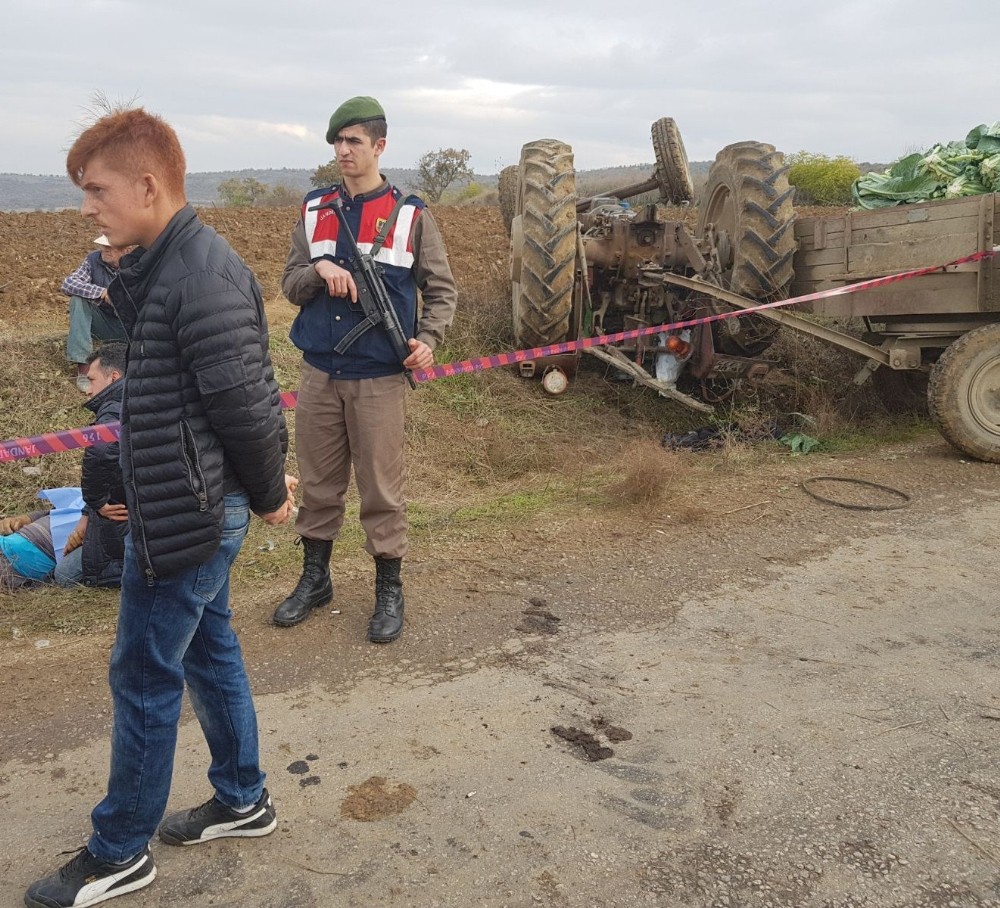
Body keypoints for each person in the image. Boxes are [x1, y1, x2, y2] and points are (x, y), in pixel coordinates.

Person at [25, 107, 294, 908]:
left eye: (97, 190)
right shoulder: (160, 265)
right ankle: (243, 797)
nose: (86, 208)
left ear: (148, 184)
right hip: (183, 498)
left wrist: (274, 494)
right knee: (208, 650)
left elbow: (247, 406)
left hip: (194, 512)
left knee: (143, 670)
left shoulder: (199, 277)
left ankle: (119, 851)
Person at [272, 95, 457, 644]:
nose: (343, 150)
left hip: (378, 377)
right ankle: (315, 579)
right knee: (319, 486)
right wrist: (319, 269)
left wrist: (428, 340)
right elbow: (288, 283)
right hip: (320, 373)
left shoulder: (410, 215)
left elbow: (442, 291)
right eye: (337, 141)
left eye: (354, 141)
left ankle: (388, 589)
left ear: (379, 146)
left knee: (381, 489)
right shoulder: (314, 209)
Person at [0, 343, 129, 591]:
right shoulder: (137, 405)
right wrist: (28, 518)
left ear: (114, 377)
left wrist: (94, 504)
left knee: (65, 575)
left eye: (91, 380)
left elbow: (101, 453)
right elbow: (77, 498)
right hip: (36, 542)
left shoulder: (114, 410)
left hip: (109, 534)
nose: (87, 390)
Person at [61, 235, 131, 392]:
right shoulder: (93, 260)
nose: (105, 250)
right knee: (78, 299)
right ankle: (83, 367)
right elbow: (69, 283)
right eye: (103, 245)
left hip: (131, 327)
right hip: (104, 323)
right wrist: (103, 292)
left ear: (126, 250)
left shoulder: (138, 265)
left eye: (110, 246)